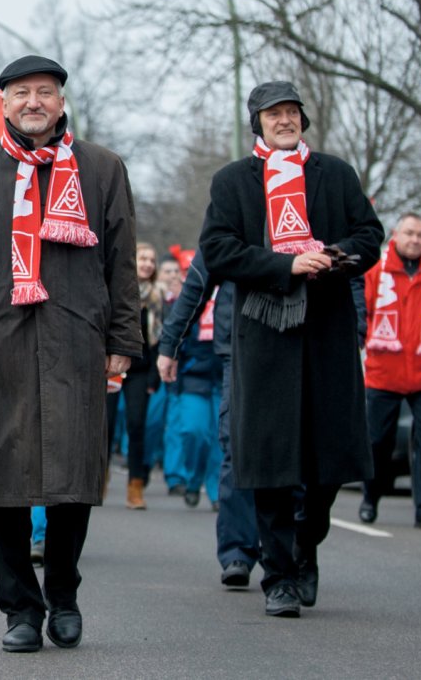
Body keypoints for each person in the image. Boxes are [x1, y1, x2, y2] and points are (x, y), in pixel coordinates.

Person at [0, 55, 141, 652]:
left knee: (73, 477)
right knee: (3, 481)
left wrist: (124, 341)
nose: (33, 103)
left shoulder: (102, 169)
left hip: (78, 343)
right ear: (3, 104)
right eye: (21, 93)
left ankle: (64, 595)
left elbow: (122, 262)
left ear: (62, 101)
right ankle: (20, 609)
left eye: (45, 92)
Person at [199, 81, 383, 617]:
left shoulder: (336, 174)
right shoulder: (234, 181)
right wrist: (285, 265)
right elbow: (218, 250)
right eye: (273, 114)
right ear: (257, 123)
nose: (284, 121)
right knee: (273, 460)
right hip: (265, 335)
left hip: (326, 330)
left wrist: (337, 253)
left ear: (303, 120)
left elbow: (369, 234)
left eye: (291, 112)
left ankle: (307, 546)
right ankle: (278, 575)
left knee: (327, 463)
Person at [156, 251, 261, 588]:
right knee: (205, 435)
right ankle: (235, 551)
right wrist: (171, 346)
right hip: (215, 367)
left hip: (268, 352)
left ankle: (286, 553)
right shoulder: (224, 230)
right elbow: (192, 294)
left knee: (234, 445)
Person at [359, 213, 421, 530]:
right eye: (409, 233)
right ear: (395, 234)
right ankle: (370, 497)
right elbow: (363, 312)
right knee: (378, 442)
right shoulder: (376, 270)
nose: (415, 240)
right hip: (384, 373)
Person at [156, 255, 224, 511]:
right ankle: (193, 478)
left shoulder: (230, 295)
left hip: (225, 378)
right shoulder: (190, 300)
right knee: (195, 433)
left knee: (222, 438)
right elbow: (176, 335)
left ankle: (217, 492)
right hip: (194, 379)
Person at [122, 243, 163, 509]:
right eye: (142, 258)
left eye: (151, 259)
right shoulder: (119, 293)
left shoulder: (157, 298)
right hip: (113, 367)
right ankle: (97, 479)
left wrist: (153, 377)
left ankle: (135, 486)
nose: (147, 264)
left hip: (140, 371)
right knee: (104, 426)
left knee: (137, 426)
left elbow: (159, 341)